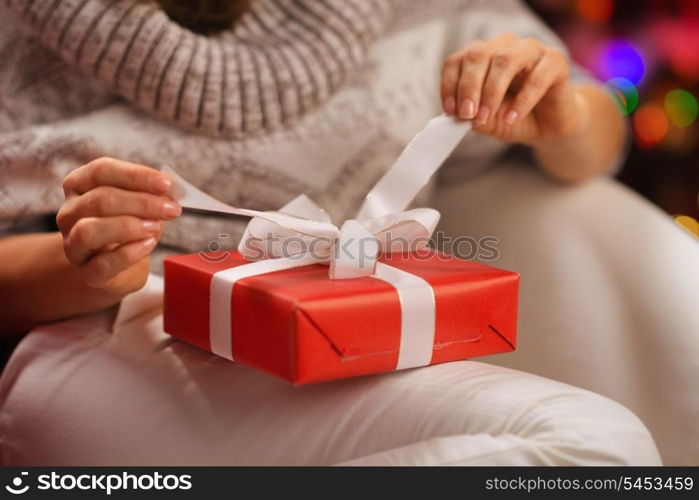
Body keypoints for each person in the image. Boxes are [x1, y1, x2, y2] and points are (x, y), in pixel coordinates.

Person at [0, 0, 683, 464]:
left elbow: (594, 137)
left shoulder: (425, 12)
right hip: (112, 337)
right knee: (592, 447)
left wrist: (565, 116)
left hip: (374, 335)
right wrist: (88, 264)